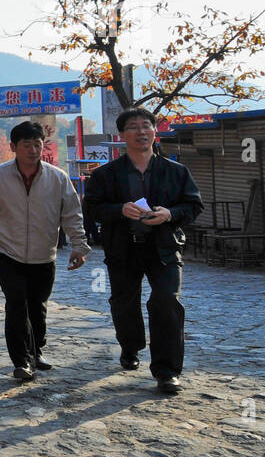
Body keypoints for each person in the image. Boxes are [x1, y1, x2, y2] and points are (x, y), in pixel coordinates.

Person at [84, 107, 204, 394]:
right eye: (134, 127)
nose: (141, 131)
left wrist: (170, 214)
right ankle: (131, 345)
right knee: (124, 303)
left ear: (154, 131)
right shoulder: (106, 174)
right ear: (122, 135)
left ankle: (167, 371)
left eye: (146, 126)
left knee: (166, 302)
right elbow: (91, 208)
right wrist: (118, 210)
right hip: (123, 250)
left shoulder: (176, 172)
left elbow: (194, 206)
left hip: (163, 249)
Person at [0, 121, 90, 381]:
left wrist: (79, 245)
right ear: (13, 147)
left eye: (38, 144)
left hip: (44, 254)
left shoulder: (58, 178)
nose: (33, 150)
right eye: (27, 145)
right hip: (7, 252)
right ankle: (21, 360)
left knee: (37, 306)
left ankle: (37, 350)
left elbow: (71, 214)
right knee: (16, 303)